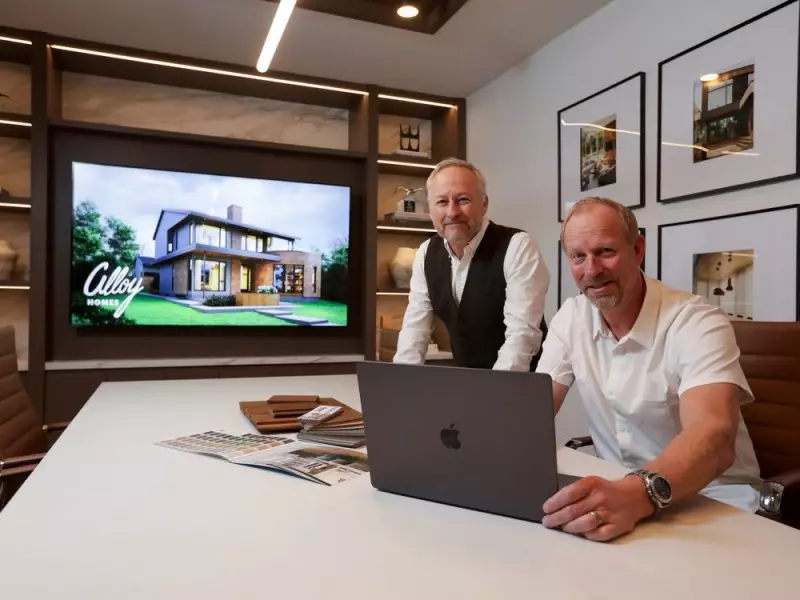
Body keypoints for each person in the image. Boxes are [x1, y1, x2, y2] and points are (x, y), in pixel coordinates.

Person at [536, 197, 762, 542]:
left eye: (605, 251)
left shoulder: (696, 322)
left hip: (714, 503)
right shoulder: (571, 317)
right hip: (619, 500)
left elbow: (713, 435)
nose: (592, 269)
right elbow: (532, 410)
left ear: (638, 249)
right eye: (578, 257)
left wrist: (638, 492)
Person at [392, 157, 550, 371]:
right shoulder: (425, 253)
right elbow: (414, 330)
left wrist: (496, 392)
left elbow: (522, 336)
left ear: (484, 204)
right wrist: (400, 386)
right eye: (442, 202)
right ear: (430, 210)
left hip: (522, 382)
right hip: (468, 380)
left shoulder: (518, 246)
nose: (452, 212)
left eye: (463, 199)